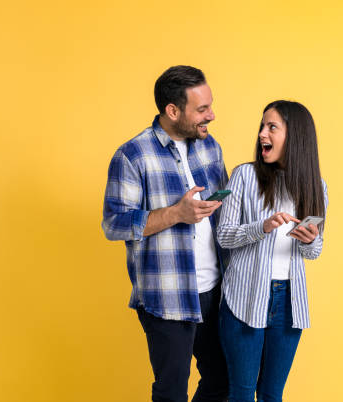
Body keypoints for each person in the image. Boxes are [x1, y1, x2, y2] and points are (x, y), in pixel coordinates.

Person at [102, 65, 229, 402]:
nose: (211, 115)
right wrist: (177, 213)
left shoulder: (210, 147)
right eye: (202, 109)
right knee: (171, 393)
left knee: (223, 381)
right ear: (173, 111)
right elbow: (113, 224)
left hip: (214, 290)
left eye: (210, 105)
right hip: (166, 295)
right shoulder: (132, 156)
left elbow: (226, 207)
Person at [217, 100, 328, 402]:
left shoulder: (316, 187)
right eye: (262, 126)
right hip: (244, 296)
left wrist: (308, 239)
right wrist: (261, 227)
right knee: (241, 394)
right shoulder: (244, 176)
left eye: (272, 127)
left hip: (289, 301)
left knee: (271, 395)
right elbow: (224, 236)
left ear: (295, 137)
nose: (262, 134)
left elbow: (314, 252)